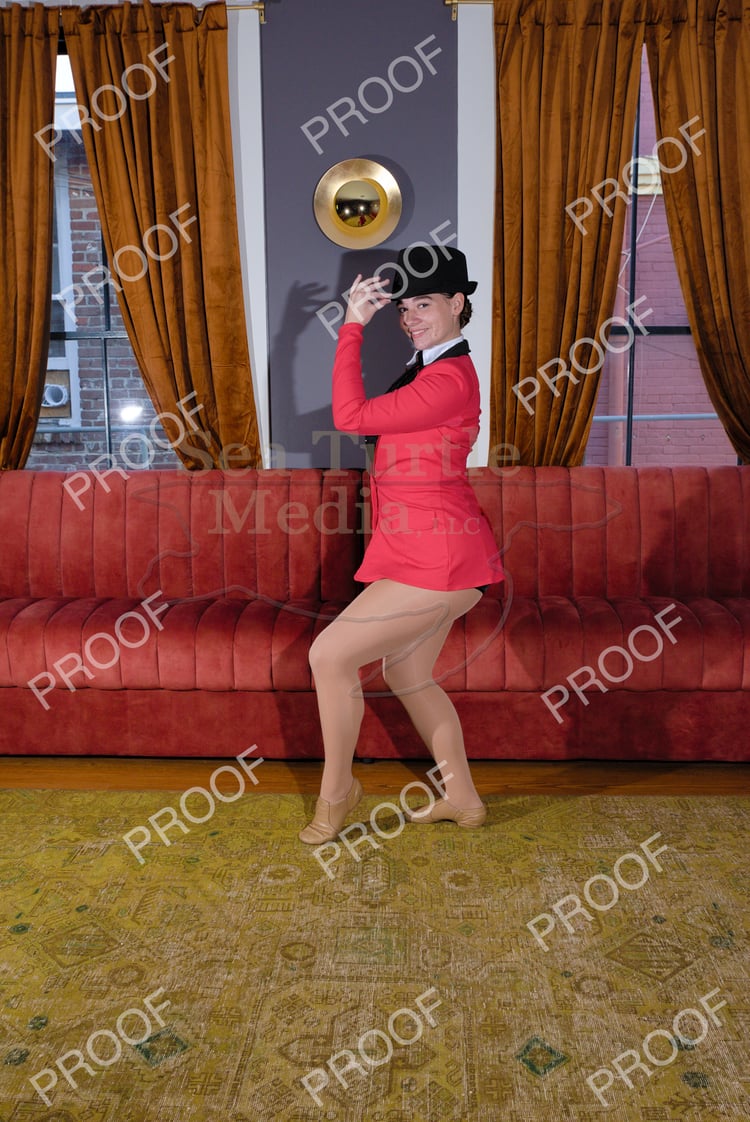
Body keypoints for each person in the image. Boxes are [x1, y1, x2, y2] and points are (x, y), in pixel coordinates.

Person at [299, 246, 504, 845]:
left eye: (425, 305)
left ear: (457, 303)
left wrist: (352, 326)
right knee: (408, 672)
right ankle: (462, 798)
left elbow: (350, 414)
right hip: (426, 553)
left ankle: (338, 792)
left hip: (441, 559)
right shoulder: (426, 369)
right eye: (405, 307)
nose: (411, 317)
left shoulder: (448, 378)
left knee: (329, 657)